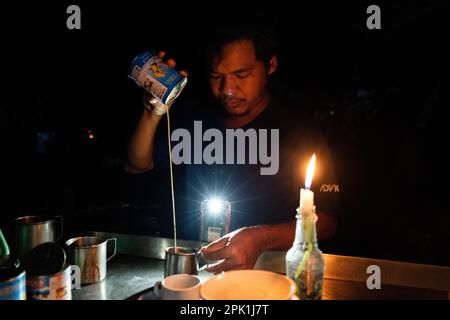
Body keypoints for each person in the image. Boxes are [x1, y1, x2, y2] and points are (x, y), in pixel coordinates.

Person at [125, 17, 340, 273]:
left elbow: (327, 220)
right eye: (217, 76)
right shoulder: (195, 120)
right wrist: (152, 113)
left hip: (267, 274)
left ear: (270, 65)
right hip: (193, 272)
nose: (227, 89)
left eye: (241, 74)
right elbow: (137, 164)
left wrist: (260, 239)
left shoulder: (298, 130)